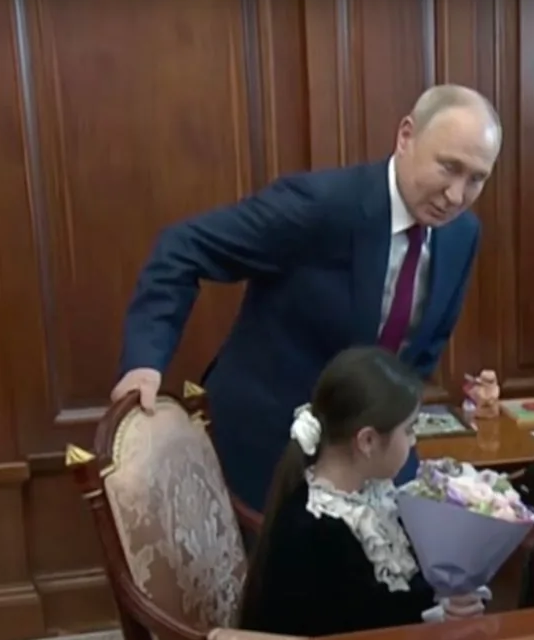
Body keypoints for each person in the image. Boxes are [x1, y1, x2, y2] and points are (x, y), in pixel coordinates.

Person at [112, 85, 502, 512]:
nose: (456, 196)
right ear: (406, 136)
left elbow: (418, 358)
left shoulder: (462, 236)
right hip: (266, 452)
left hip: (366, 458)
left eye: (476, 179)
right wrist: (144, 362)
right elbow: (183, 248)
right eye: (448, 167)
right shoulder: (321, 206)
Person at [237, 347, 487, 637]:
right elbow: (360, 632)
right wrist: (440, 620)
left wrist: (450, 598)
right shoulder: (314, 531)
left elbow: (400, 593)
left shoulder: (372, 493)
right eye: (408, 430)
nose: (413, 440)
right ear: (367, 441)